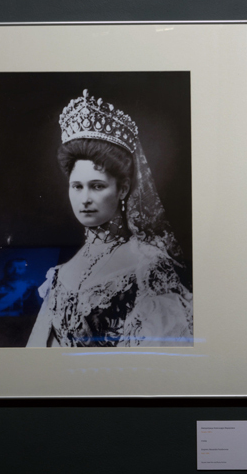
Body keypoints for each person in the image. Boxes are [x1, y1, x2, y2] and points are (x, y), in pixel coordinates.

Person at [26, 90, 192, 347]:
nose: (84, 199)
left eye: (97, 186)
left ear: (122, 190)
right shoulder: (61, 273)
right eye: (77, 186)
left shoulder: (149, 267)